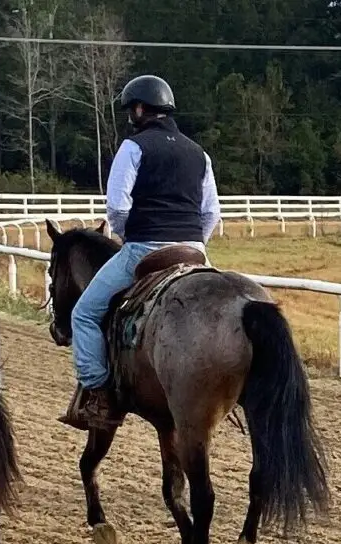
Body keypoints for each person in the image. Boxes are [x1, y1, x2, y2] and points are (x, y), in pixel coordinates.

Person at [58, 74, 222, 430]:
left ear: (138, 109)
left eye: (130, 110)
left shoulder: (133, 147)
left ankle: (98, 394)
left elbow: (117, 207)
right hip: (194, 251)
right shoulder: (200, 154)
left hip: (145, 248)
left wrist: (128, 236)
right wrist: (195, 244)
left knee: (84, 314)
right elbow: (211, 213)